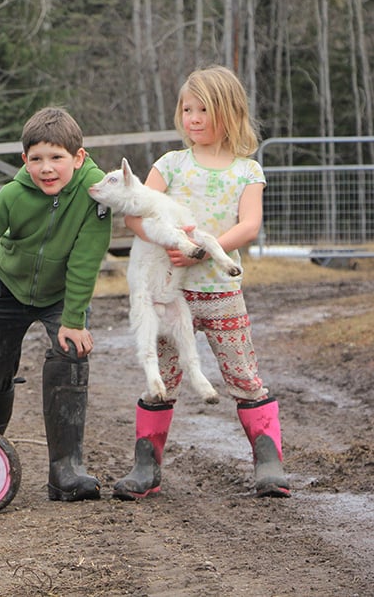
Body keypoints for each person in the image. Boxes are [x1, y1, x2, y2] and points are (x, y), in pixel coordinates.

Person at [113, 65, 291, 500]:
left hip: (222, 293)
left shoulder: (247, 171)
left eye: (203, 109)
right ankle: (146, 467)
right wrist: (170, 245)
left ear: (228, 112)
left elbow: (249, 225)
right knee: (163, 378)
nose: (192, 118)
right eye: (186, 109)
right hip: (169, 291)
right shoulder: (170, 165)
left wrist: (203, 250)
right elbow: (136, 214)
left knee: (244, 375)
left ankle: (269, 461)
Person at [0, 106, 112, 503]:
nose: (47, 168)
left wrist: (74, 320)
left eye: (57, 157)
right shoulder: (12, 195)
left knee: (71, 350)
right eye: (37, 159)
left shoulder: (96, 194)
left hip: (61, 294)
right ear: (24, 160)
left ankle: (66, 469)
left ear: (78, 158)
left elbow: (85, 258)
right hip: (7, 289)